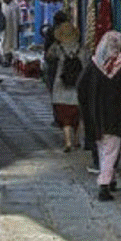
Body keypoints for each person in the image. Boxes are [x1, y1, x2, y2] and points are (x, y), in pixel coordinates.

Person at [77, 31, 121, 201]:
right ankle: (104, 185)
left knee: (104, 147)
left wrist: (87, 104)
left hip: (96, 113)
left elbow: (81, 85)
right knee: (111, 148)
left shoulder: (94, 64)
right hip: (115, 112)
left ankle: (111, 178)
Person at [45, 21, 82, 152]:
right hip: (78, 86)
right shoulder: (82, 48)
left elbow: (48, 56)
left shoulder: (57, 47)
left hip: (61, 86)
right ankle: (77, 139)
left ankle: (68, 141)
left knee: (64, 115)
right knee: (77, 115)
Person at [0, 0, 19, 66]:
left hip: (13, 28)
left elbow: (18, 16)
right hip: (4, 28)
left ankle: (11, 59)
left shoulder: (15, 5)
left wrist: (19, 25)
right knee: (4, 44)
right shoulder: (1, 5)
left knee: (12, 44)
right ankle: (4, 59)